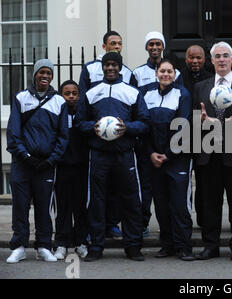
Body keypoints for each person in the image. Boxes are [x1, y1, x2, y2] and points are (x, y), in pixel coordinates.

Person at [75, 52, 150, 262]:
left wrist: (128, 128)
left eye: (114, 65)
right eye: (107, 65)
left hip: (124, 155)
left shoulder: (132, 92)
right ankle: (96, 247)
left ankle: (133, 246)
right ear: (102, 67)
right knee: (97, 201)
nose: (110, 68)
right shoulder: (91, 93)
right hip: (98, 155)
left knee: (131, 200)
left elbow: (144, 122)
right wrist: (94, 126)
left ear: (119, 67)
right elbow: (80, 123)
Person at [193, 41, 232, 262]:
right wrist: (203, 121)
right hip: (209, 153)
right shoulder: (201, 87)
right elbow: (191, 118)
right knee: (210, 202)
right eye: (217, 56)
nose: (221, 59)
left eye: (225, 56)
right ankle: (210, 245)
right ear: (211, 61)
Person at [6, 59, 69, 263]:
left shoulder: (59, 101)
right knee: (20, 206)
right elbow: (13, 132)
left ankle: (43, 246)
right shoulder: (20, 98)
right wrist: (26, 156)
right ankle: (19, 246)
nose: (45, 76)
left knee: (44, 207)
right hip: (22, 164)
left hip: (46, 165)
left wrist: (51, 160)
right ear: (34, 74)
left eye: (49, 73)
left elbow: (63, 136)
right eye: (41, 72)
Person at [139, 59, 194, 261]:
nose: (166, 74)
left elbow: (184, 126)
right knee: (161, 205)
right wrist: (151, 153)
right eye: (162, 71)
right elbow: (144, 126)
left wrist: (169, 154)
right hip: (154, 159)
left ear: (175, 74)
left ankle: (184, 247)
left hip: (177, 159)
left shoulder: (183, 94)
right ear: (156, 73)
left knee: (180, 205)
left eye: (169, 71)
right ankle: (167, 245)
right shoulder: (146, 94)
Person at [79, 30, 131, 240]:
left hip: (121, 142)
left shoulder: (127, 72)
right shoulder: (90, 69)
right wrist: (93, 126)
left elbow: (132, 103)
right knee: (97, 190)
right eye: (112, 43)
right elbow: (84, 100)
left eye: (119, 43)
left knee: (118, 188)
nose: (116, 46)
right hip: (97, 140)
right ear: (104, 46)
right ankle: (95, 231)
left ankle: (113, 224)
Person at [53, 80, 89, 260]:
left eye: (74, 93)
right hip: (62, 168)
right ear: (61, 96)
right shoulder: (57, 115)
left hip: (81, 167)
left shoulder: (83, 115)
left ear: (79, 95)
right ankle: (61, 243)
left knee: (80, 207)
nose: (71, 96)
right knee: (63, 207)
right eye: (67, 93)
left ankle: (80, 242)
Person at [180, 45, 214, 228]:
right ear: (186, 59)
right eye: (191, 57)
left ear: (205, 59)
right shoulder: (178, 78)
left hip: (204, 138)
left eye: (199, 58)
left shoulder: (211, 78)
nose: (195, 61)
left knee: (204, 183)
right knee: (184, 183)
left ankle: (204, 220)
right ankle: (184, 220)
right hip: (183, 136)